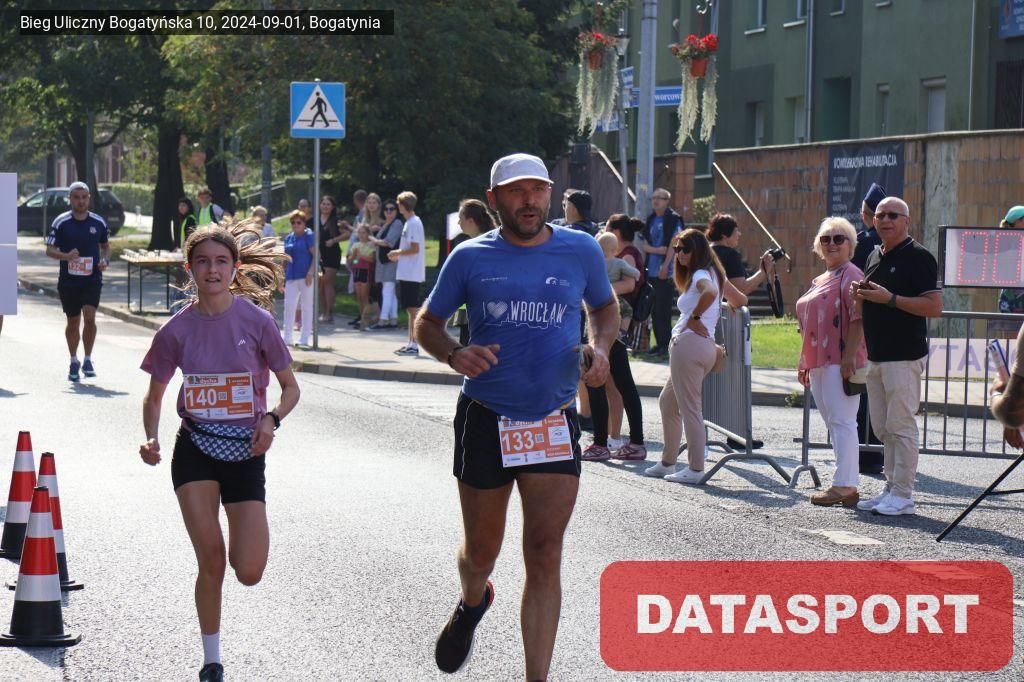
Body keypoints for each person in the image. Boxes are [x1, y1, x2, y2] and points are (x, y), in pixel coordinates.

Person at [415, 152, 617, 681]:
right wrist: (454, 353)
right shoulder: (470, 256)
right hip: (486, 416)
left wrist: (600, 348)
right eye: (516, 191)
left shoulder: (580, 249)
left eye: (538, 189)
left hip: (552, 418)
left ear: (549, 193)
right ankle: (472, 600)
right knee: (482, 551)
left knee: (545, 552)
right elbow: (427, 323)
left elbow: (604, 307)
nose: (529, 200)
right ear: (494, 199)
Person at [138, 219, 300, 682]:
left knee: (248, 570)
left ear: (235, 267)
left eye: (222, 261)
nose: (212, 270)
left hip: (246, 453)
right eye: (203, 262)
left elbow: (290, 389)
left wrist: (271, 419)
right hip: (195, 450)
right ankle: (212, 660)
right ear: (189, 269)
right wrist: (151, 437)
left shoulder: (258, 322)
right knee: (210, 559)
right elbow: (153, 396)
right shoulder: (176, 330)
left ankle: (245, 543)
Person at [852, 196, 943, 516]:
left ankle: (903, 495)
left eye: (893, 215)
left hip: (904, 355)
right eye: (880, 215)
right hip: (877, 355)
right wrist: (861, 296)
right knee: (882, 428)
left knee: (901, 426)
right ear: (873, 220)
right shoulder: (873, 254)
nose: (886, 220)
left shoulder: (919, 256)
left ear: (907, 221)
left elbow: (934, 306)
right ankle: (891, 488)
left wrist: (890, 299)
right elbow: (873, 302)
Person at [645, 228, 747, 483]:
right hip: (700, 347)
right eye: (677, 249)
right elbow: (740, 299)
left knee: (690, 409)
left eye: (685, 249)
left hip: (690, 346)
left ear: (698, 251)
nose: (679, 254)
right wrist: (718, 311)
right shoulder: (715, 273)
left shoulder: (702, 274)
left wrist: (695, 317)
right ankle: (668, 462)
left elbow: (710, 292)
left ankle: (695, 468)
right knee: (668, 403)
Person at [795, 218, 868, 507]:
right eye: (826, 239)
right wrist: (805, 361)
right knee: (834, 422)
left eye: (839, 238)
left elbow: (858, 317)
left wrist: (849, 356)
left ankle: (845, 484)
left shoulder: (851, 274)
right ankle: (844, 482)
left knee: (843, 421)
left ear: (850, 245)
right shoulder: (821, 279)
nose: (832, 244)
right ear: (818, 246)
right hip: (819, 361)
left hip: (840, 360)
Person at [581, 220, 647, 462]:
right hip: (612, 333)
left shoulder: (598, 268)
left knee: (599, 384)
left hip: (603, 333)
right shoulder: (611, 263)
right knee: (621, 385)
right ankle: (634, 442)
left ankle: (602, 443)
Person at [44, 181, 111, 382]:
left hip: (92, 279)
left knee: (90, 318)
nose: (80, 201)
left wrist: (105, 260)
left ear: (89, 198)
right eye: (76, 197)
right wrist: (66, 256)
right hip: (69, 281)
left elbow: (106, 247)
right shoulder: (61, 222)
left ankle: (88, 359)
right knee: (73, 322)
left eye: (84, 197)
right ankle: (74, 360)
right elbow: (49, 250)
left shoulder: (98, 222)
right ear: (70, 199)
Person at [852, 183, 887, 474]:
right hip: (889, 327)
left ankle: (865, 453)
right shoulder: (898, 244)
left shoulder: (862, 242)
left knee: (864, 391)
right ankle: (877, 452)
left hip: (863, 323)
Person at [641, 188, 684, 356]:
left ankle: (666, 345)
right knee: (653, 310)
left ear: (667, 201)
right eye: (653, 198)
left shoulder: (673, 219)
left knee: (663, 310)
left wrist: (666, 265)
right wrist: (657, 250)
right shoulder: (651, 219)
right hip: (651, 271)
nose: (656, 201)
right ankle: (659, 343)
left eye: (660, 198)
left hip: (666, 272)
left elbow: (675, 243)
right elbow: (645, 245)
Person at [447, 199, 496, 345]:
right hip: (470, 313)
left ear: (470, 221)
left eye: (460, 218)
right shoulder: (480, 244)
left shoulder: (481, 247)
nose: (458, 223)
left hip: (481, 315)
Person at [390, 191, 426, 356]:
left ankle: (414, 344)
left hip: (412, 272)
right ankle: (411, 342)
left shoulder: (413, 223)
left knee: (413, 310)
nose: (398, 206)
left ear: (404, 205)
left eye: (399, 204)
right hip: (407, 272)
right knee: (410, 309)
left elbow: (415, 248)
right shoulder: (410, 222)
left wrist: (397, 252)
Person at [706, 213, 772, 295]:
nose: (739, 234)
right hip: (722, 303)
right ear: (724, 235)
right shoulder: (731, 255)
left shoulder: (704, 252)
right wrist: (763, 272)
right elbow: (740, 289)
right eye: (736, 231)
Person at [347, 193, 384, 327]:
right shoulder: (363, 220)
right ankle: (363, 316)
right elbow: (356, 235)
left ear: (379, 205)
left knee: (374, 290)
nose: (371, 205)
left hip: (374, 260)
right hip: (360, 262)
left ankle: (375, 317)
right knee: (361, 293)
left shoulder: (382, 222)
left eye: (374, 202)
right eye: (369, 202)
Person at [281, 210, 316, 348]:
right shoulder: (289, 238)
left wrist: (310, 272)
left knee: (307, 306)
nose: (295, 225)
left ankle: (304, 338)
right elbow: (285, 259)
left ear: (304, 223)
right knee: (289, 306)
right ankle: (287, 337)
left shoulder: (309, 235)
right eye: (293, 222)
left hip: (305, 275)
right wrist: (281, 276)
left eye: (298, 222)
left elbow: (316, 255)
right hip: (291, 275)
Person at [368, 199, 404, 330]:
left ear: (396, 211)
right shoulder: (386, 224)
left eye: (391, 209)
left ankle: (382, 320)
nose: (388, 212)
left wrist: (373, 240)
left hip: (391, 262)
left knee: (387, 291)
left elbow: (388, 242)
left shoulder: (397, 223)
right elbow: (380, 241)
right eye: (386, 209)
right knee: (391, 292)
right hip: (383, 263)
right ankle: (393, 320)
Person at [316, 195, 347, 324]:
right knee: (321, 284)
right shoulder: (316, 219)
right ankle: (324, 311)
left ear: (333, 207)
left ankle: (329, 313)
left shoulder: (336, 221)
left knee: (327, 281)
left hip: (332, 255)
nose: (325, 206)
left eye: (328, 204)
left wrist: (334, 240)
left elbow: (348, 234)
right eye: (323, 204)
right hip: (319, 255)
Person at [347, 224, 377, 329]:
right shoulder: (355, 245)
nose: (361, 235)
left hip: (366, 271)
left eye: (363, 232)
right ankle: (362, 318)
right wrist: (354, 257)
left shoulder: (371, 245)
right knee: (359, 297)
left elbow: (372, 259)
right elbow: (352, 261)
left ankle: (366, 320)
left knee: (364, 297)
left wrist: (362, 256)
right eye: (359, 233)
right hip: (357, 271)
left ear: (368, 234)